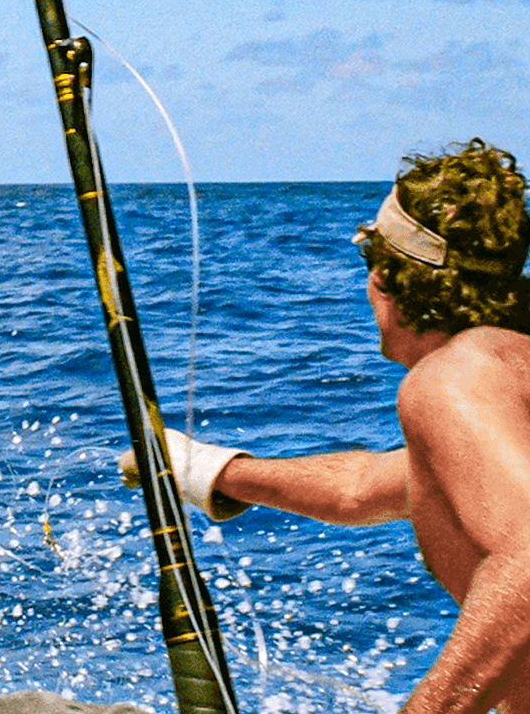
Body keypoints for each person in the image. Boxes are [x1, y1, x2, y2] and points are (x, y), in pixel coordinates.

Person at [124, 139, 530, 714]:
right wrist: (205, 469)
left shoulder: (451, 380)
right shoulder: (508, 370)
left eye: (369, 260)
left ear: (391, 275)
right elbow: (361, 488)